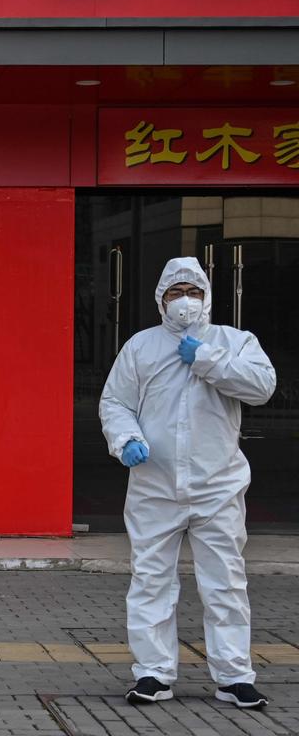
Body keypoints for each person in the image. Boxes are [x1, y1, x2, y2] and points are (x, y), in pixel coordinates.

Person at [100, 257, 276, 709]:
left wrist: (205, 358)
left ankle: (234, 675)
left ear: (207, 297)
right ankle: (153, 673)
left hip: (218, 486)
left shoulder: (233, 342)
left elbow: (262, 387)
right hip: (154, 485)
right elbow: (115, 402)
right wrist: (127, 439)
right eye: (175, 292)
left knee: (225, 583)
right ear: (161, 299)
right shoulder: (141, 346)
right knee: (151, 579)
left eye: (192, 291)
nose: (184, 300)